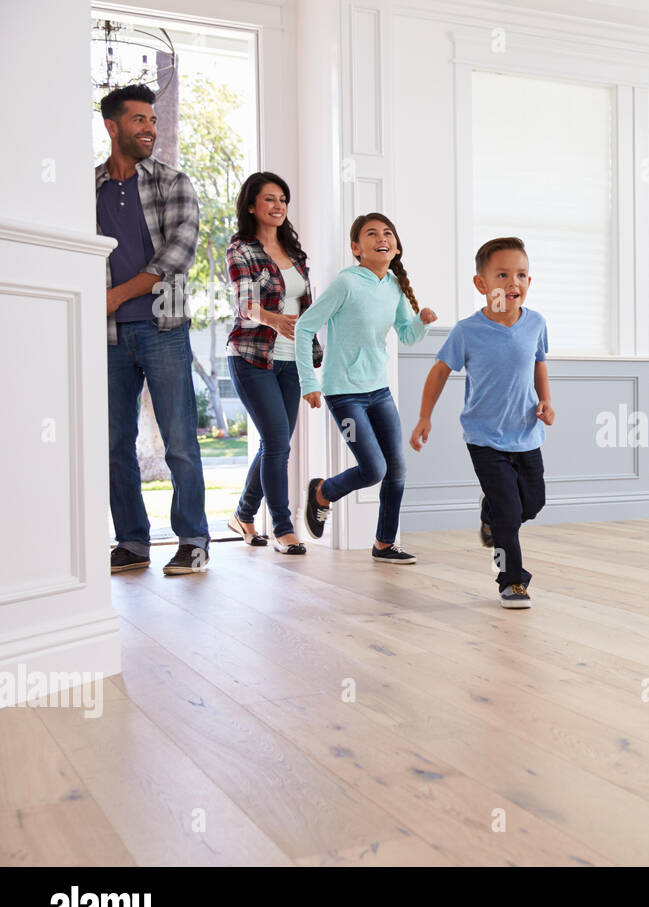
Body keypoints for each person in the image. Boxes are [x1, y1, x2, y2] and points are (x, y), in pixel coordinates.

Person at [96, 84, 208, 576]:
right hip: (106, 338)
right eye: (139, 120)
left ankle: (193, 539)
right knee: (115, 443)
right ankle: (132, 542)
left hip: (163, 328)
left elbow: (176, 257)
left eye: (153, 120)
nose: (150, 129)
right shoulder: (88, 188)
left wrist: (115, 297)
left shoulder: (173, 183)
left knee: (180, 439)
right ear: (112, 126)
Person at [409, 237, 555, 609]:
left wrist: (546, 401)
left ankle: (490, 514)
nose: (513, 283)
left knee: (532, 504)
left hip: (526, 434)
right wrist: (425, 416)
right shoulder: (467, 331)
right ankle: (512, 581)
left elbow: (539, 362)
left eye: (521, 275)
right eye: (502, 275)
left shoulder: (535, 323)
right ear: (481, 285)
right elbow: (439, 371)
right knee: (509, 514)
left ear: (529, 281)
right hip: (484, 437)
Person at [296, 213, 437, 561]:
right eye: (371, 234)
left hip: (379, 389)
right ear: (356, 248)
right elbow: (304, 327)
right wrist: (308, 382)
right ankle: (322, 492)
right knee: (374, 469)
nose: (381, 238)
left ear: (396, 246)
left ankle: (384, 544)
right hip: (343, 392)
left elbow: (406, 334)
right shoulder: (346, 283)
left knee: (397, 469)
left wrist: (422, 322)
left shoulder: (393, 286)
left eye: (387, 232)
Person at [224, 172, 322, 555]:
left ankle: (243, 516)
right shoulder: (241, 250)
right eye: (269, 199)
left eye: (283, 198)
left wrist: (311, 356)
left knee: (274, 443)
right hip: (252, 357)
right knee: (278, 443)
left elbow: (307, 308)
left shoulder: (295, 254)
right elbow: (245, 304)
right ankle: (283, 528)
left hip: (291, 361)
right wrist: (275, 319)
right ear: (251, 206)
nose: (278, 205)